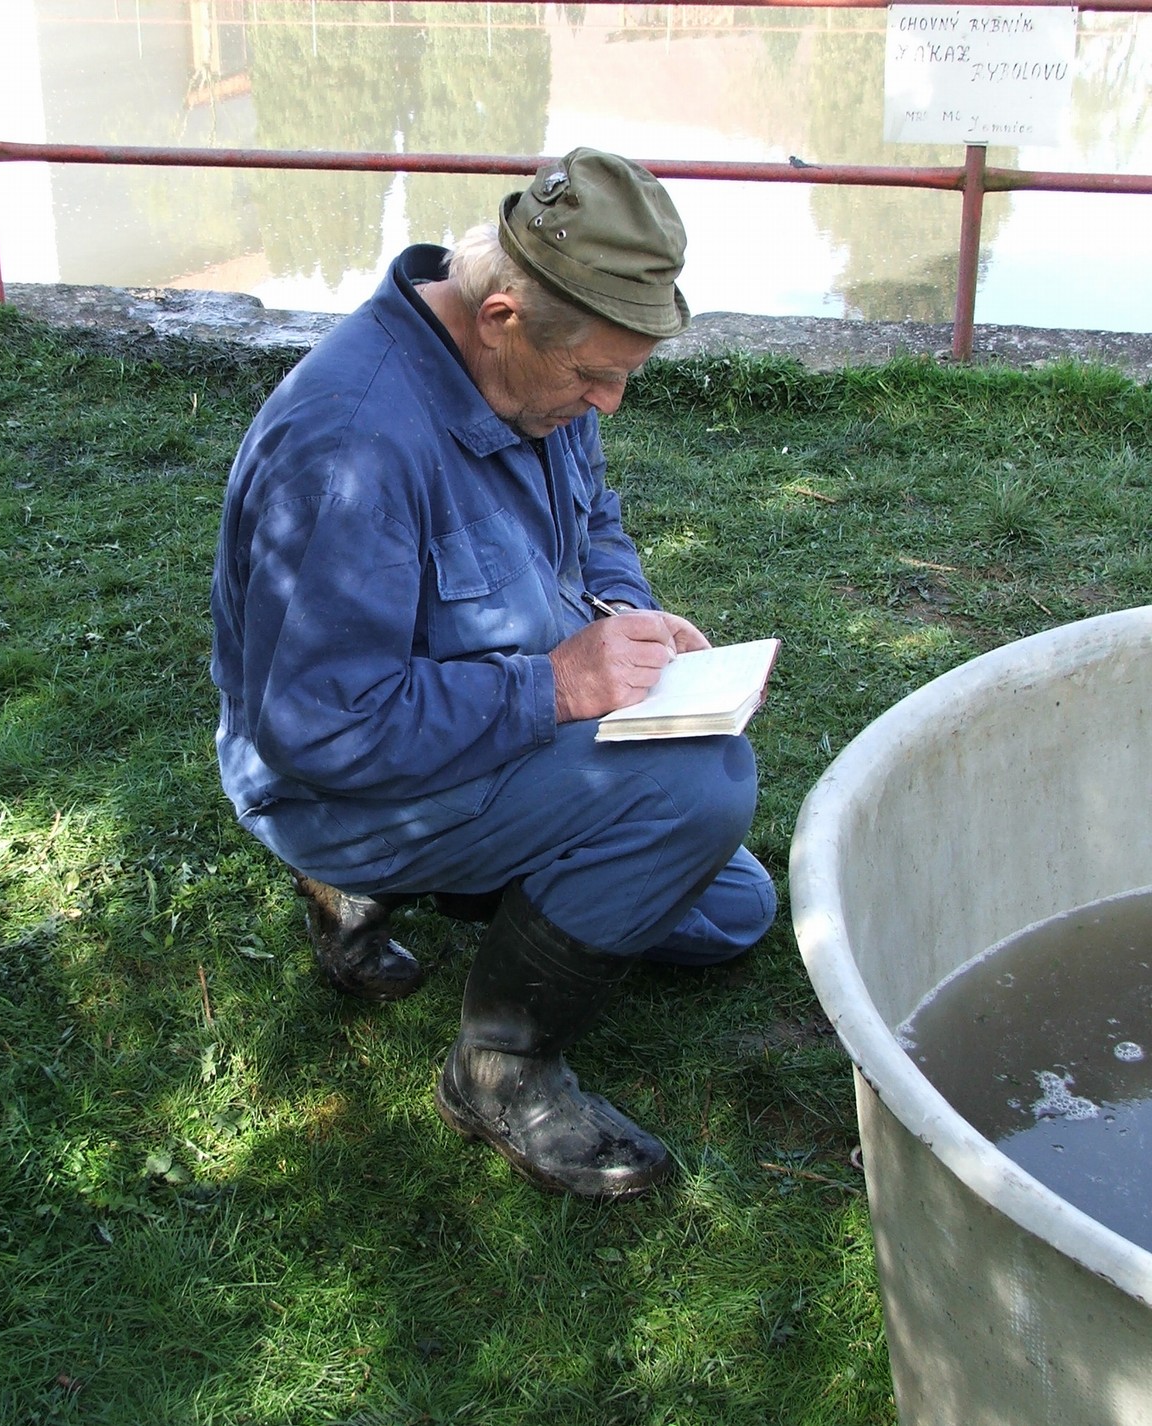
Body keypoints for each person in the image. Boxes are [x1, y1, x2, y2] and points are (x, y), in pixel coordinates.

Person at [210, 147, 777, 1201]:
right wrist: (557, 686)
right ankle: (500, 1071)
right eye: (593, 377)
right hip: (336, 788)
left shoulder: (532, 373)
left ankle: (427, 880)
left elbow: (592, 522)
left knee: (729, 911)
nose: (609, 403)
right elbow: (318, 726)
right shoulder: (350, 448)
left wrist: (620, 616)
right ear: (503, 314)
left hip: (480, 729)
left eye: (623, 375)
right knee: (699, 792)